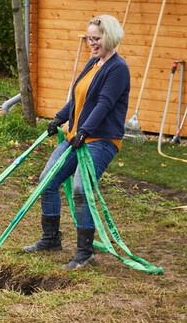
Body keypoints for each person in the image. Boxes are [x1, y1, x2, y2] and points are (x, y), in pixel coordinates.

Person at [23, 15, 130, 269]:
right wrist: (60, 117)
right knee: (47, 181)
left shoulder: (118, 68)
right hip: (78, 136)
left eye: (96, 38)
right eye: (89, 38)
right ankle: (50, 239)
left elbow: (104, 103)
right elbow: (77, 98)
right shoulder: (93, 63)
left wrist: (84, 130)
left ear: (110, 37)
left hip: (101, 139)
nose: (91, 43)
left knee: (81, 189)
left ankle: (85, 254)